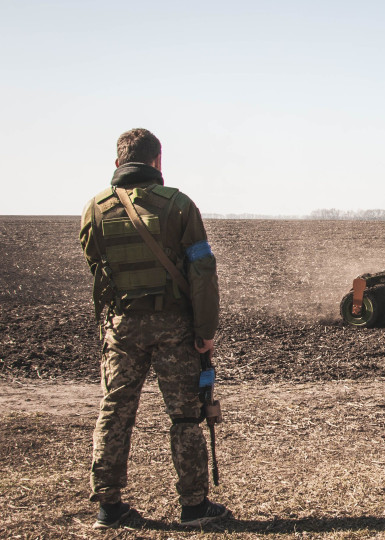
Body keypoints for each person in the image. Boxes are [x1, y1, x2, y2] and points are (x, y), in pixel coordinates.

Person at [79, 128, 229, 528]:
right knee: (184, 417)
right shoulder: (179, 206)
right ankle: (194, 506)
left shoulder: (94, 210)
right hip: (173, 329)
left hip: (121, 326)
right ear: (157, 162)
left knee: (115, 410)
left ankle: (109, 507)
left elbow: (98, 272)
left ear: (118, 163)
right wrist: (205, 328)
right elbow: (202, 270)